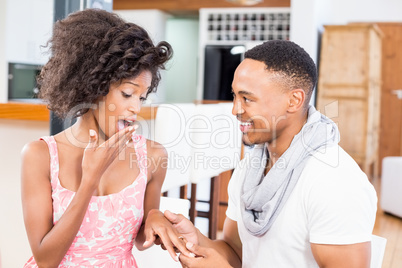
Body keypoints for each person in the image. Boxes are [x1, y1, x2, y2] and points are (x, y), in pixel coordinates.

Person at [161, 40, 378, 268]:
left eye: (248, 99)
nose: (235, 109)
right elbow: (237, 252)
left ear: (294, 100)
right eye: (235, 96)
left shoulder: (334, 180)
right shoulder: (250, 168)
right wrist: (197, 239)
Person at [21, 9, 191, 267]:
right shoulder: (40, 155)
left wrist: (155, 217)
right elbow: (46, 259)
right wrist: (89, 180)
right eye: (127, 94)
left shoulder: (153, 156)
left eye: (142, 97)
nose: (136, 108)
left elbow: (140, 241)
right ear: (94, 86)